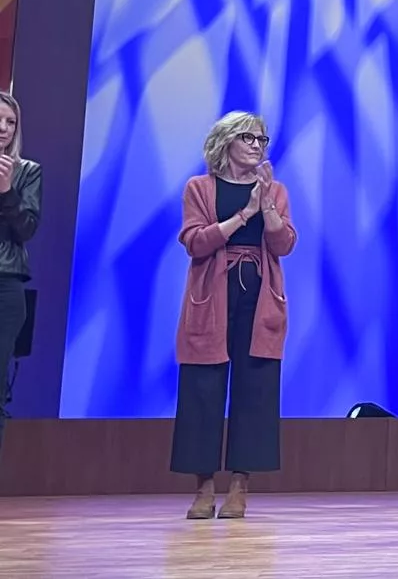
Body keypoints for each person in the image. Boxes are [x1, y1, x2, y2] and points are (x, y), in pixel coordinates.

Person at [172, 112, 297, 519]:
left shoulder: (274, 189)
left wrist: (268, 210)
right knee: (202, 388)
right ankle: (203, 487)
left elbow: (284, 245)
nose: (258, 145)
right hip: (212, 294)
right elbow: (195, 242)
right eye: (249, 138)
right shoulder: (199, 188)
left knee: (255, 387)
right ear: (225, 141)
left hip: (259, 294)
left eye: (263, 139)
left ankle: (240, 485)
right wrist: (243, 215)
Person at [0, 91, 40, 460]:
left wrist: (6, 192)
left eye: (10, 122)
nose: (4, 128)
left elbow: (26, 230)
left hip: (6, 284)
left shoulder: (27, 171)